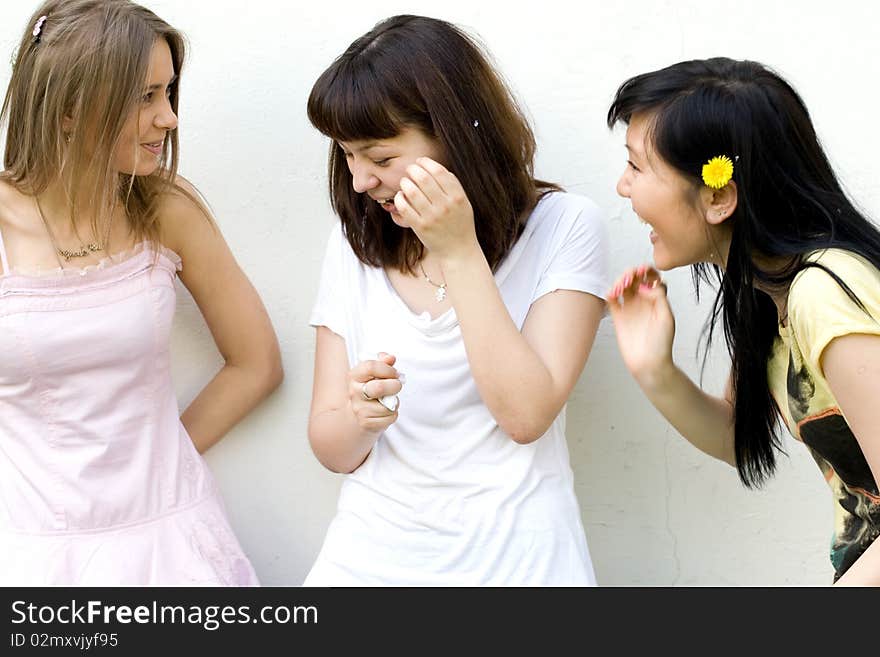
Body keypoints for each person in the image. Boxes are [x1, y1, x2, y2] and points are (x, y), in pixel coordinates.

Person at [303, 15, 608, 586]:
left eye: (382, 158)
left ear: (455, 135)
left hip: (520, 567)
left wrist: (459, 251)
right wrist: (360, 418)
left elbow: (525, 416)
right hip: (368, 562)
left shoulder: (564, 227)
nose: (362, 180)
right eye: (347, 156)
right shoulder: (354, 244)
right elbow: (331, 446)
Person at [0, 0, 282, 585]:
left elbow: (256, 363)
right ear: (71, 107)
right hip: (31, 551)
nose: (170, 118)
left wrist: (163, 467)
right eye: (145, 97)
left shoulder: (165, 209)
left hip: (173, 543)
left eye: (169, 92)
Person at [606, 57, 880, 585]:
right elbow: (739, 438)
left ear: (718, 196)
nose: (623, 187)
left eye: (637, 167)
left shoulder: (825, 295)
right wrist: (654, 370)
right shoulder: (768, 291)